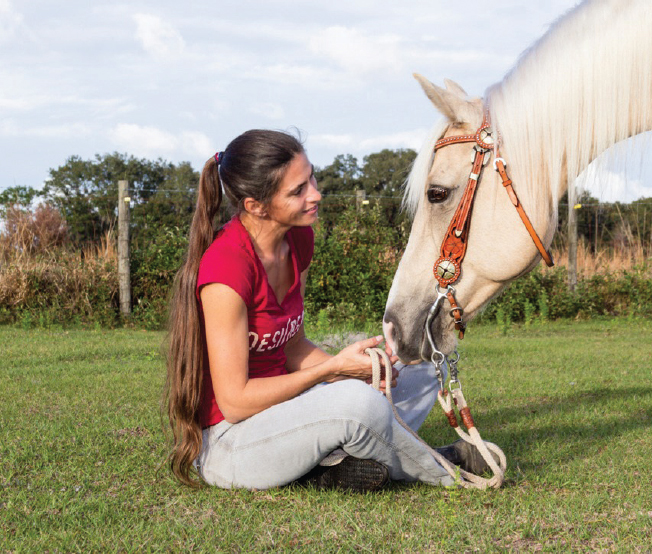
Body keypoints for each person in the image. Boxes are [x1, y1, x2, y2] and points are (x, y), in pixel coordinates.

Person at [164, 129, 488, 492]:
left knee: (419, 364)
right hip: (233, 443)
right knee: (358, 405)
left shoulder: (297, 239)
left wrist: (358, 371)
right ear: (256, 206)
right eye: (297, 191)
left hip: (287, 411)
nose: (315, 194)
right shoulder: (226, 269)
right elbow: (235, 403)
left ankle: (333, 463)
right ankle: (449, 467)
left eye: (311, 177)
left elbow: (292, 347)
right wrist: (332, 371)